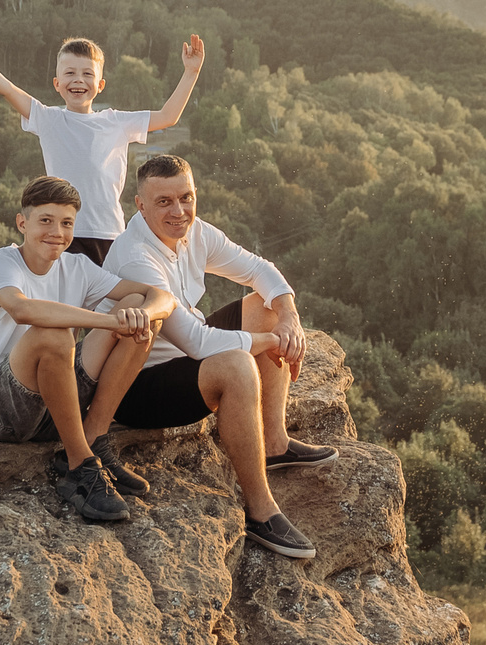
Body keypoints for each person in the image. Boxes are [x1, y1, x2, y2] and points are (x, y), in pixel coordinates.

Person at [89, 153, 331, 560]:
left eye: (186, 197)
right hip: (139, 383)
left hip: (183, 356)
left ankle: (274, 443)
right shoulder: (137, 257)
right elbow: (200, 344)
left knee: (266, 304)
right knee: (237, 365)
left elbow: (260, 268)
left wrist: (288, 319)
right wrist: (271, 342)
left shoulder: (194, 232)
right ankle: (259, 510)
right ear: (140, 205)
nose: (179, 210)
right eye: (164, 201)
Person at [0, 175, 176, 524]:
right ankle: (80, 468)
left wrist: (142, 315)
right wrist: (109, 322)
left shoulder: (77, 266)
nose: (56, 232)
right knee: (56, 334)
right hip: (0, 412)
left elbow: (161, 297)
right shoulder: (0, 263)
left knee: (137, 308)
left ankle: (94, 439)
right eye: (45, 220)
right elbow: (23, 309)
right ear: (22, 223)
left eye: (66, 223)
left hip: (56, 404)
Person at [0, 23, 205, 265]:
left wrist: (191, 72)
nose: (78, 79)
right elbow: (6, 88)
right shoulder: (48, 118)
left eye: (87, 74)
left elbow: (168, 117)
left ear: (100, 85)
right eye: (70, 73)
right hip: (62, 234)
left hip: (108, 234)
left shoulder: (116, 122)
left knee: (110, 315)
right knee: (65, 314)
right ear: (57, 83)